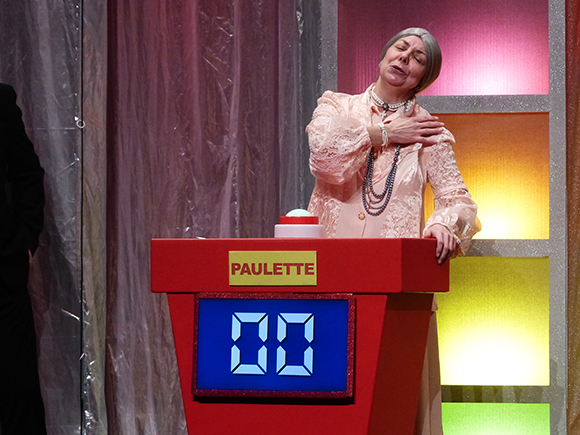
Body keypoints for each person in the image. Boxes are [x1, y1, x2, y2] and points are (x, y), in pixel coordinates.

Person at [307, 28, 480, 434]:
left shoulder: (428, 133)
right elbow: (324, 157)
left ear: (423, 77)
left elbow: (459, 201)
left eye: (418, 58)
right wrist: (385, 134)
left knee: (391, 401)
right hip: (329, 277)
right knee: (327, 393)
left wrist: (443, 223)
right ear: (384, 55)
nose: (405, 58)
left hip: (395, 290)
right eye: (401, 48)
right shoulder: (336, 105)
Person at [0, 83, 46, 434]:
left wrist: (25, 242)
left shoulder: (0, 102)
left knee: (19, 397)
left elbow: (28, 173)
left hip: (2, 276)